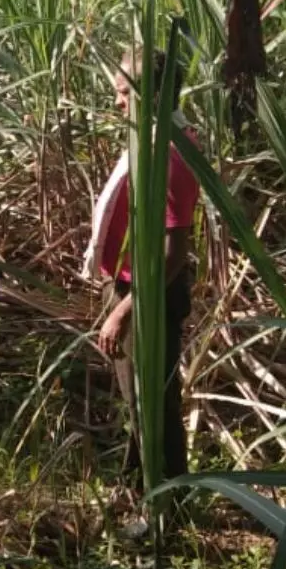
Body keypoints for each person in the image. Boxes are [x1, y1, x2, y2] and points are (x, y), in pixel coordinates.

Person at [81, 46, 200, 482]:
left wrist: (121, 311)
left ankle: (164, 509)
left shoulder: (169, 154)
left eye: (123, 93)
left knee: (153, 400)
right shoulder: (153, 141)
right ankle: (139, 488)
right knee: (137, 396)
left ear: (151, 94)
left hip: (147, 297)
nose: (117, 103)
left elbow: (173, 254)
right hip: (133, 289)